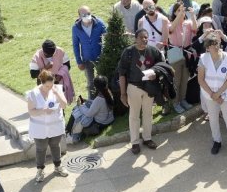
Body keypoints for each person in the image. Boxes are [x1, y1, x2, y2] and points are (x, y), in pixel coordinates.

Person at [197, 32, 227, 157]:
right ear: (207, 48)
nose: (216, 46)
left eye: (217, 43)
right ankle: (217, 141)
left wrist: (218, 94)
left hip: (224, 95)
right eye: (212, 45)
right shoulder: (203, 59)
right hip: (210, 95)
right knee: (213, 119)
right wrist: (213, 94)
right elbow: (200, 79)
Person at [117, 27, 164, 155]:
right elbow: (121, 73)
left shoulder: (153, 50)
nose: (144, 39)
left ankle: (147, 138)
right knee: (134, 116)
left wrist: (157, 74)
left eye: (146, 37)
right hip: (134, 88)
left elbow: (162, 66)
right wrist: (123, 93)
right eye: (142, 37)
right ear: (136, 39)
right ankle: (135, 142)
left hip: (149, 87)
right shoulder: (128, 52)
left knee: (148, 114)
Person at [26, 69, 69, 183]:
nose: (50, 87)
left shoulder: (56, 89)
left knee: (55, 145)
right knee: (41, 149)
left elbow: (64, 105)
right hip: (40, 129)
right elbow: (31, 111)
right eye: (47, 86)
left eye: (51, 85)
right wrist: (43, 111)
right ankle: (40, 170)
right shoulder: (33, 93)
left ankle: (58, 166)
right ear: (41, 82)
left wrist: (57, 94)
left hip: (55, 126)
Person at [67, 76, 117, 143]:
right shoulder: (108, 92)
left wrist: (80, 105)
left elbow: (89, 114)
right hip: (110, 119)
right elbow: (98, 104)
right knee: (81, 109)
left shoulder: (99, 99)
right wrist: (87, 101)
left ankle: (74, 136)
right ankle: (69, 131)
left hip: (101, 123)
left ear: (96, 87)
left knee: (79, 113)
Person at [71, 6, 105, 98]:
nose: (87, 16)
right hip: (87, 59)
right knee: (90, 83)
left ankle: (104, 99)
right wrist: (79, 61)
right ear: (79, 16)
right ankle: (91, 101)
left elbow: (107, 37)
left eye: (88, 13)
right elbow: (75, 45)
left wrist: (104, 54)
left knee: (102, 81)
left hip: (100, 58)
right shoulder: (75, 28)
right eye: (84, 15)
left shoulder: (99, 23)